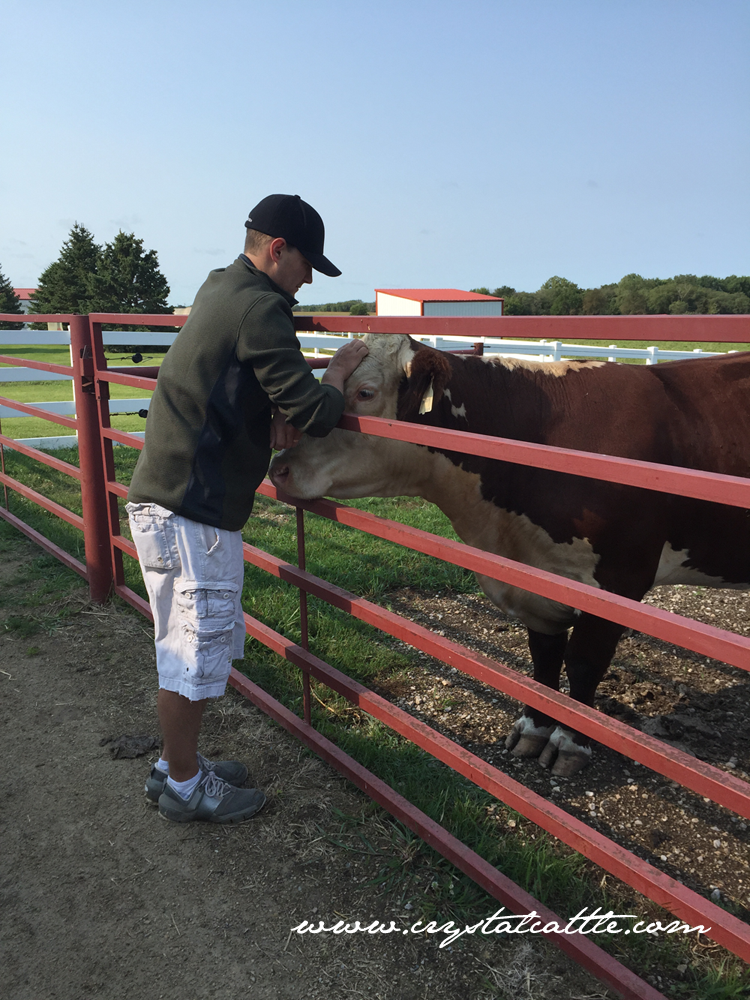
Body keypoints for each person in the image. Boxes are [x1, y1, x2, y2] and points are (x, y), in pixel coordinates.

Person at [126, 194, 368, 824]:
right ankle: (183, 785)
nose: (309, 278)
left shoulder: (222, 286)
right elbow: (318, 411)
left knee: (188, 640)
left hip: (179, 498)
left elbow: (239, 378)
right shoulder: (260, 308)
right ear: (277, 249)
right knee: (192, 648)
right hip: (191, 509)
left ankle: (175, 766)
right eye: (307, 263)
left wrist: (270, 411)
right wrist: (338, 372)